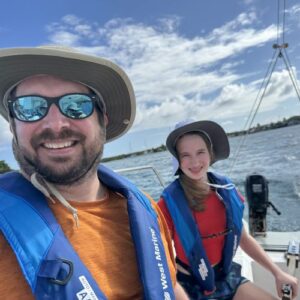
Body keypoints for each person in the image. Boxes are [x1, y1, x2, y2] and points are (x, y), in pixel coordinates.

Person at [0, 46, 188, 300]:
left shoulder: (146, 209)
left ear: (103, 119)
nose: (55, 124)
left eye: (76, 105)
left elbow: (171, 288)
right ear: (13, 125)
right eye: (30, 108)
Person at [158, 119, 299, 300]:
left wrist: (278, 273)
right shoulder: (167, 204)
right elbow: (159, 261)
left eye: (200, 152)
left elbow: (243, 238)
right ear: (177, 160)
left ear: (210, 153)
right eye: (185, 155)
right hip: (189, 286)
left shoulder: (224, 191)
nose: (194, 162)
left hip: (225, 275)